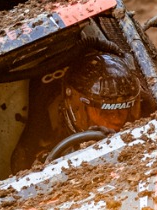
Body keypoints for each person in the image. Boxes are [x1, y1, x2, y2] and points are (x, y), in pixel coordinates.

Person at [12, 48, 145, 171]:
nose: (117, 120)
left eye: (122, 110)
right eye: (106, 112)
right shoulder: (42, 144)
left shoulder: (148, 124)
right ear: (75, 108)